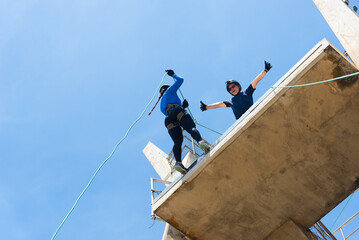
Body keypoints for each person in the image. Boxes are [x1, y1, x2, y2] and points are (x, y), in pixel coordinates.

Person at [149, 69, 211, 174]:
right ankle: (200, 142)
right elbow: (180, 80)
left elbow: (171, 113)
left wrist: (183, 106)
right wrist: (173, 74)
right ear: (167, 88)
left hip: (168, 119)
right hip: (178, 112)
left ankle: (178, 162)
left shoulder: (161, 106)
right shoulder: (170, 91)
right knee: (191, 128)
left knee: (177, 141)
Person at [200, 61, 272, 120]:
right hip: (242, 123)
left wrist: (265, 70)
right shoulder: (230, 101)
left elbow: (256, 81)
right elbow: (218, 104)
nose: (232, 89)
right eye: (229, 89)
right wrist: (206, 107)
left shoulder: (247, 92)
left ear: (238, 86)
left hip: (255, 115)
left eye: (233, 86)